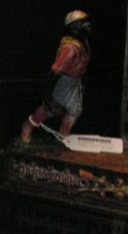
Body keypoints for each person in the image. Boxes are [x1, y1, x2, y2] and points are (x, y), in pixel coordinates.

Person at [20, 10, 92, 145]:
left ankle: (62, 136)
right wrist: (49, 89)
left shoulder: (82, 42)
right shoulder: (70, 47)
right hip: (64, 81)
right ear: (74, 27)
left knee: (75, 110)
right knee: (51, 109)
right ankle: (27, 127)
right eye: (83, 23)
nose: (87, 26)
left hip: (74, 81)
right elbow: (57, 69)